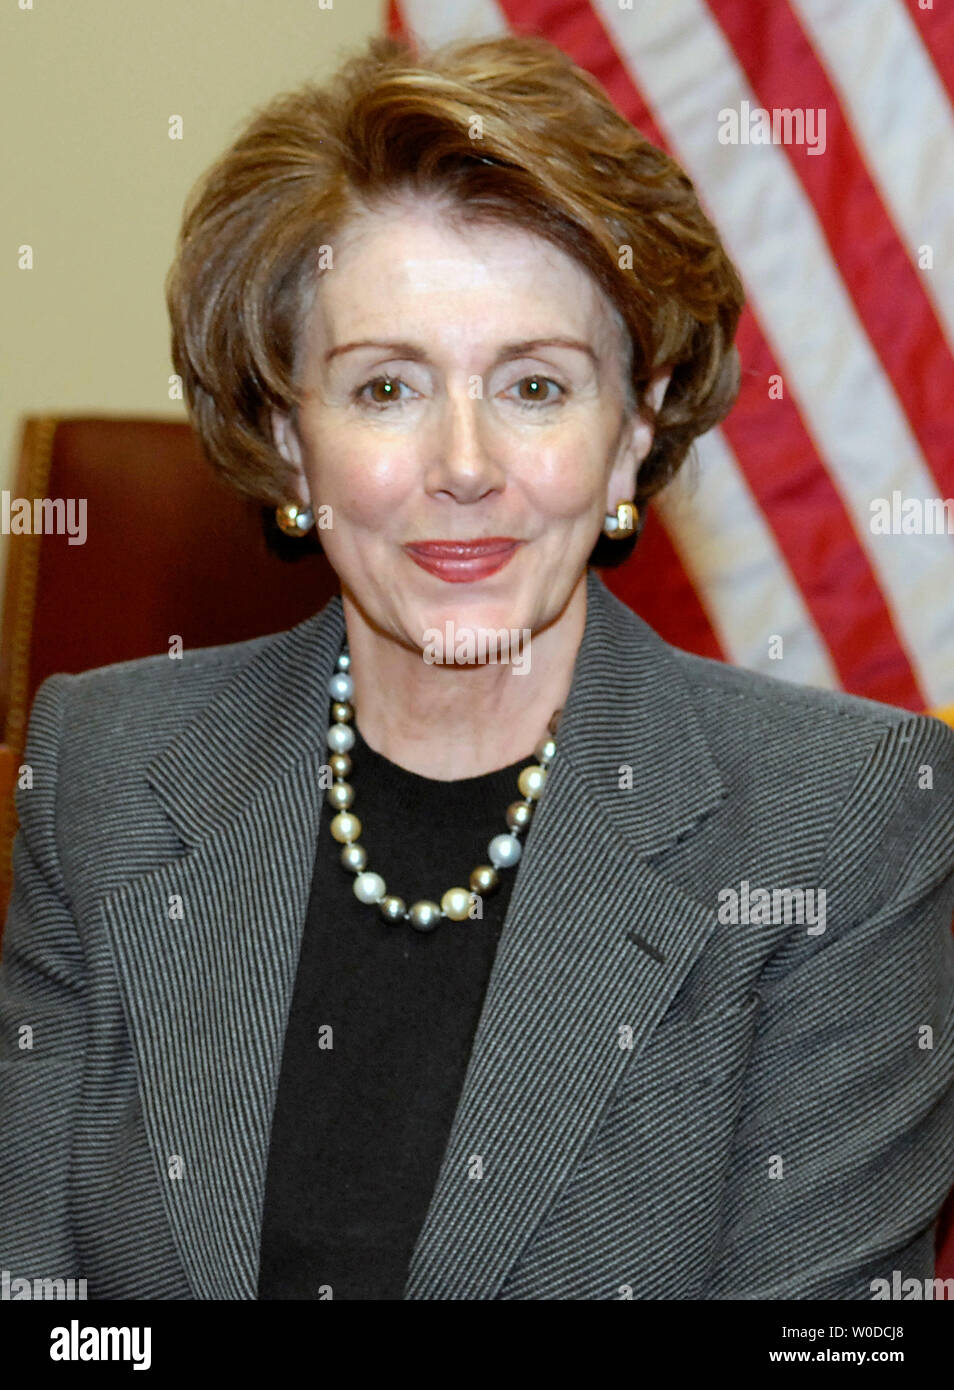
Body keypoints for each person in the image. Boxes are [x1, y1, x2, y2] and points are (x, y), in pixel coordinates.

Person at [1, 32, 952, 1302]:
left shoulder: (847, 824)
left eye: (537, 387)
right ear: (291, 440)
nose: (463, 464)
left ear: (634, 430)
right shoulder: (102, 770)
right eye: (387, 387)